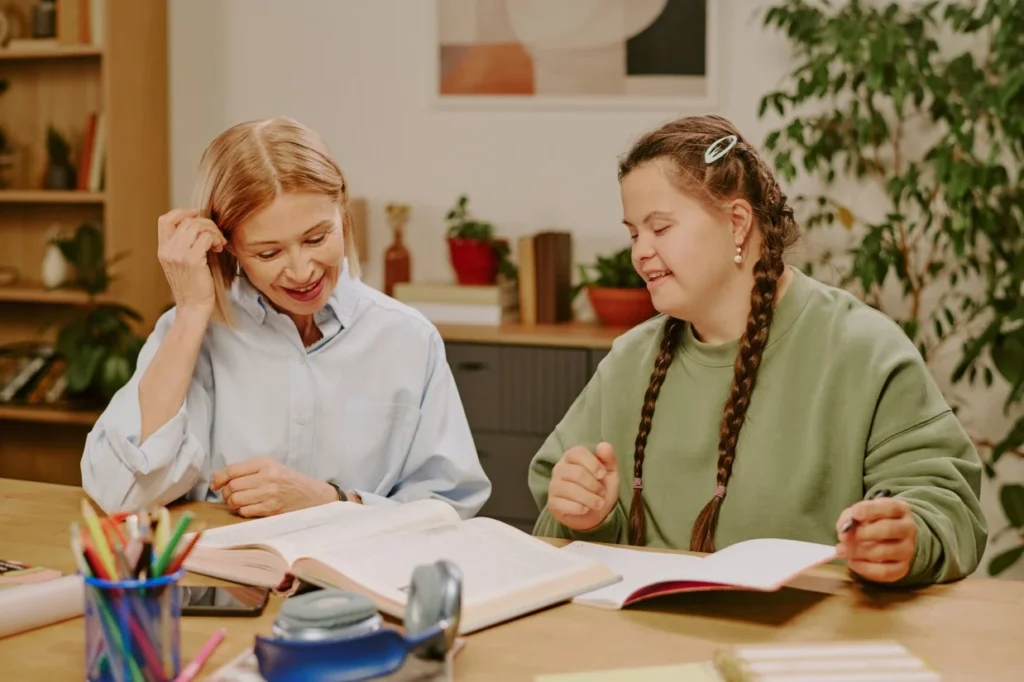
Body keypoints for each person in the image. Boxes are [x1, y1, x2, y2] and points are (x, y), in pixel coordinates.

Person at [527, 114, 987, 587]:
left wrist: (909, 538)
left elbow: (946, 507)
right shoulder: (629, 362)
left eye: (660, 229)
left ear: (737, 222)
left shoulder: (862, 349)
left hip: (813, 645)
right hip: (654, 644)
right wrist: (584, 516)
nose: (640, 251)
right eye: (633, 234)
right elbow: (561, 530)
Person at [81, 116, 491, 519]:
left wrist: (332, 503)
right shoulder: (192, 335)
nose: (301, 271)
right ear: (228, 246)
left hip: (359, 584)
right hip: (229, 583)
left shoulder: (409, 339)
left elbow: (450, 508)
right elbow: (122, 492)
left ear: (342, 210)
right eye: (268, 253)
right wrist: (190, 313)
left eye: (317, 238)